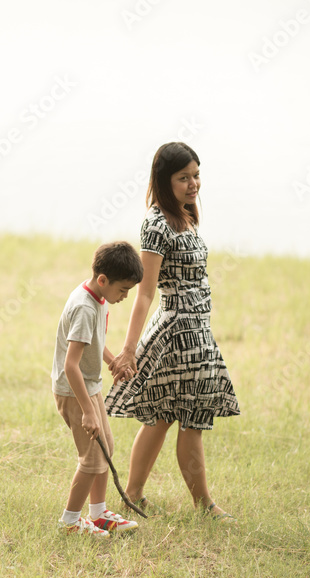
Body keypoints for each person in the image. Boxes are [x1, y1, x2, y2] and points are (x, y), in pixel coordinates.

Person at [105, 142, 240, 521]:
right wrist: (129, 349)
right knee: (176, 418)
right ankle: (203, 505)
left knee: (173, 416)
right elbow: (146, 292)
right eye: (183, 178)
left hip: (198, 330)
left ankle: (137, 495)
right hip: (177, 332)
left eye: (196, 175)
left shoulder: (186, 215)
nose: (193, 183)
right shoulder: (156, 224)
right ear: (165, 181)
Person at [52, 241, 144, 537]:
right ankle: (70, 521)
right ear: (103, 280)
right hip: (74, 389)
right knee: (91, 459)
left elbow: (95, 341)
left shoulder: (99, 299)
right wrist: (89, 412)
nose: (125, 297)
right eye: (123, 290)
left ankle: (98, 513)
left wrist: (113, 360)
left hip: (88, 385)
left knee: (106, 450)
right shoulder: (83, 307)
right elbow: (71, 365)